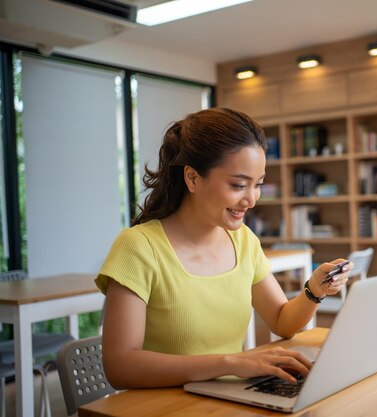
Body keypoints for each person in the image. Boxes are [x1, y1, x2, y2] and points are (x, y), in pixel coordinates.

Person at [96, 108, 352, 389]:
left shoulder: (243, 240)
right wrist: (229, 363)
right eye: (239, 185)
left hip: (225, 399)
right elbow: (120, 366)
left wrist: (314, 290)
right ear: (193, 178)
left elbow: (281, 321)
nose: (251, 199)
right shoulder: (138, 247)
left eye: (258, 185)